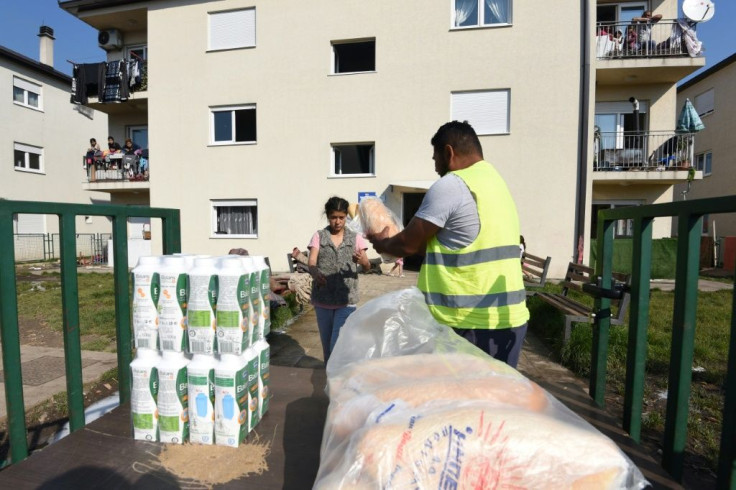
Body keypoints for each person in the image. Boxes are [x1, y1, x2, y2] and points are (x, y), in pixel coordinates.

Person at [366, 121, 529, 368]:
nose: (435, 168)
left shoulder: (453, 184)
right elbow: (451, 245)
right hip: (508, 319)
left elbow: (408, 245)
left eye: (435, 159)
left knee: (460, 402)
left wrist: (381, 243)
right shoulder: (495, 182)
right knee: (491, 403)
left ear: (449, 152)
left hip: (469, 322)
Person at [308, 196, 371, 363]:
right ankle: (330, 380)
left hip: (347, 301)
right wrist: (315, 273)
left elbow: (367, 267)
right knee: (327, 346)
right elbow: (312, 262)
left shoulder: (355, 238)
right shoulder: (319, 236)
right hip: (323, 300)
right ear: (328, 216)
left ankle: (339, 377)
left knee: (337, 344)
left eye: (341, 217)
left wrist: (362, 261)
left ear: (346, 217)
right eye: (333, 217)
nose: (337, 222)